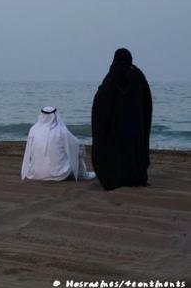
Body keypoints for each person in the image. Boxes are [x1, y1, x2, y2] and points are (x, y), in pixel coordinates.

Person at [91, 48, 152, 191]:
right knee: (133, 151)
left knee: (115, 151)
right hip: (135, 127)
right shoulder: (138, 75)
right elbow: (147, 102)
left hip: (116, 128)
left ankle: (116, 178)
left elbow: (100, 101)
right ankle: (135, 177)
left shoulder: (112, 76)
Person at [21, 107, 95, 181]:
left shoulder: (33, 129)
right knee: (78, 148)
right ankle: (82, 174)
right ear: (55, 115)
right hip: (59, 174)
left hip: (35, 173)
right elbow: (77, 145)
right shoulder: (61, 131)